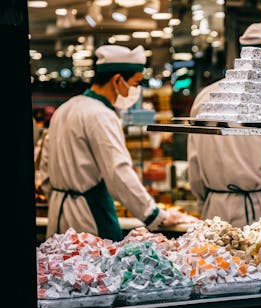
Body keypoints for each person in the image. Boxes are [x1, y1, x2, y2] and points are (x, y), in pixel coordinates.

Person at [39, 45, 197, 241]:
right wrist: (154, 215)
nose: (136, 90)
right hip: (90, 217)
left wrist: (60, 195)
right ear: (117, 80)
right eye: (135, 83)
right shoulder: (101, 115)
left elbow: (44, 172)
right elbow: (118, 171)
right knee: (92, 269)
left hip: (57, 213)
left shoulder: (64, 109)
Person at [187, 20, 261, 228]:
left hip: (212, 210)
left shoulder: (205, 97)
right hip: (257, 213)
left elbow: (194, 163)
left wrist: (202, 203)